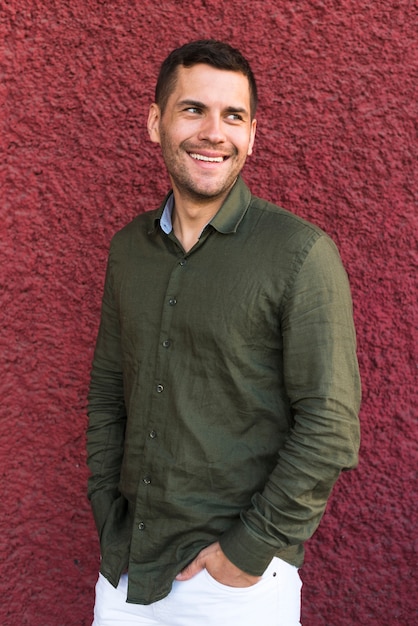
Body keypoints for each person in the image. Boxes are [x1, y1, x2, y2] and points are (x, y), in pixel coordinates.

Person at [86, 39, 361, 626]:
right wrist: (106, 503)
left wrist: (247, 553)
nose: (214, 131)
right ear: (155, 121)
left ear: (252, 134)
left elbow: (331, 425)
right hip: (127, 572)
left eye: (233, 116)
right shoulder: (129, 250)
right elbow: (110, 389)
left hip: (237, 590)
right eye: (193, 110)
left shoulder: (300, 254)